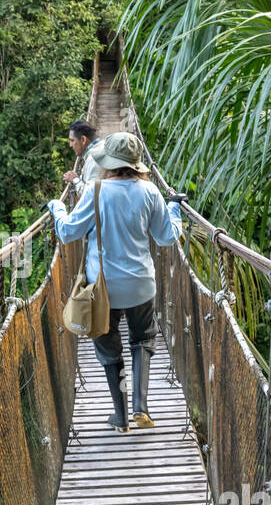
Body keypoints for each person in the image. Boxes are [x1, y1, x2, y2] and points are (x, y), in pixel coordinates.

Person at [47, 132, 184, 432]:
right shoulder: (149, 192)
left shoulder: (96, 191)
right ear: (136, 165)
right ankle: (141, 407)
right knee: (143, 340)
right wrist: (175, 209)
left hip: (102, 290)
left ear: (108, 164)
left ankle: (121, 416)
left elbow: (68, 232)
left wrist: (57, 209)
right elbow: (166, 237)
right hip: (141, 287)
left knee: (110, 350)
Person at [62, 120, 101, 197]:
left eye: (72, 140)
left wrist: (75, 180)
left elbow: (90, 196)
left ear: (83, 139)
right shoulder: (100, 147)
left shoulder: (94, 159)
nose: (70, 145)